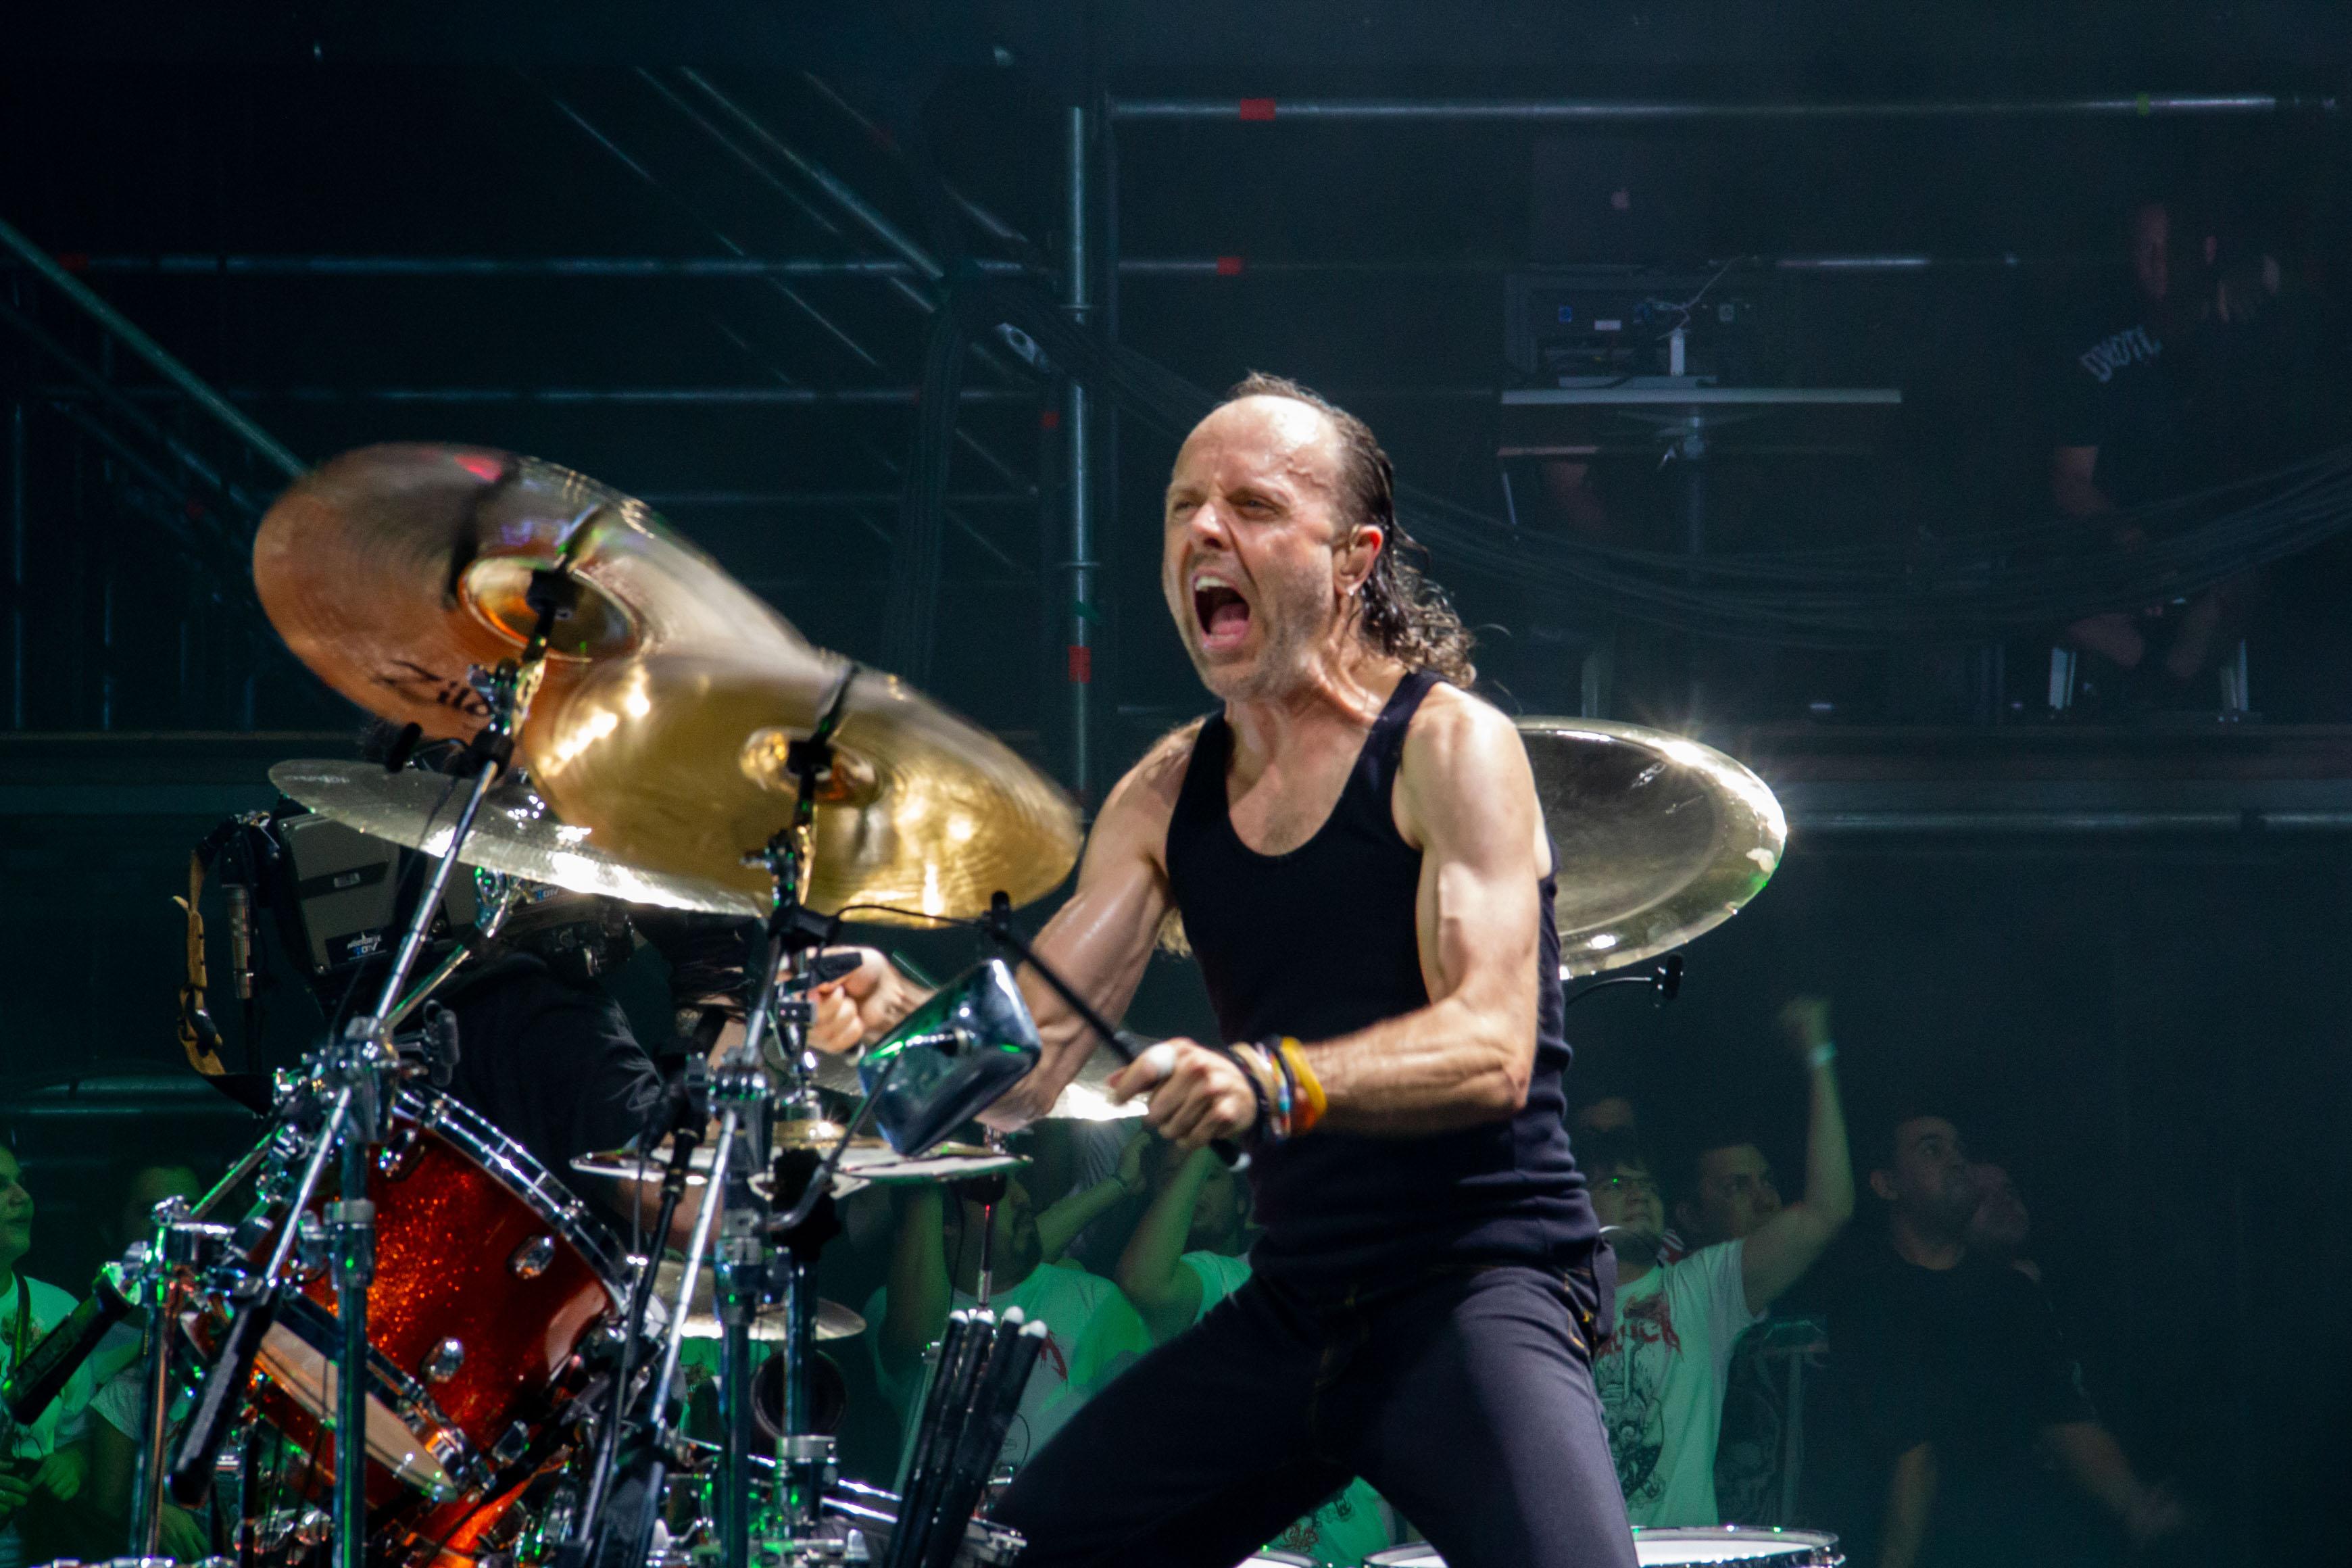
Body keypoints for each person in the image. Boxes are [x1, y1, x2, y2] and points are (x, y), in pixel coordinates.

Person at [813, 373, 1631, 1568]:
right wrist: (901, 1031)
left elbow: (1495, 1048)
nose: (1204, 530)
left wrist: (1273, 1078)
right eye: (1183, 506)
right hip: (1297, 1306)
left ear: (1354, 560)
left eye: (1252, 506)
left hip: (1477, 1280)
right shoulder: (1163, 795)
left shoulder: (1449, 746)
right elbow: (1024, 1073)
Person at [1806, 1112, 2182, 1568]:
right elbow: (1911, 1450)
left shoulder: (2012, 1296)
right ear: (1887, 1184)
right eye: (1932, 1150)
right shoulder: (1864, 1290)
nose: (1956, 1161)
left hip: (2007, 1543)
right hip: (1893, 1543)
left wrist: (2134, 1504)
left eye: (1960, 1150)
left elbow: (2063, 1417)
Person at [1584, 999, 1852, 1527]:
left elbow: (1828, 1209)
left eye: (1648, 1185)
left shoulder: (1701, 1288)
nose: (1639, 1194)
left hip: (1680, 1556)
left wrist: (1820, 1056)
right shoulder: (1547, 1305)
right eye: (1617, 1183)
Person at [1117, 1144, 1393, 1565]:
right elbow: (1143, 1281)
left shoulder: (1365, 1299)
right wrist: (1205, 1147)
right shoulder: (1226, 1279)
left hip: (1363, 1549)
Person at [2049, 197, 2265, 700]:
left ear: (2206, 251)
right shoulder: (2099, 348)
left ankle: (2165, 688)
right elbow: (2069, 479)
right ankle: (2162, 686)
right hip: (2121, 552)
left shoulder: (2235, 325)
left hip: (2214, 551)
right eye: (2146, 249)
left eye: (2172, 249)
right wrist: (2131, 541)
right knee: (2057, 605)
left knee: (2235, 592)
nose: (2159, 262)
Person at [863, 1179, 1152, 1472]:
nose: (1022, 1196)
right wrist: (929, 1179)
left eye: (1018, 1179)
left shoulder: (1095, 1300)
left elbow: (1143, 1434)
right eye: (997, 1188)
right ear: (945, 1217)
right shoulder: (892, 1307)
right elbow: (915, 1336)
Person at [0, 1145, 96, 1568]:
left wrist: (72, 1465)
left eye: (21, 1182)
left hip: (38, 1552)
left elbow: (82, 1438)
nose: (22, 1197)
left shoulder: (59, 1311)